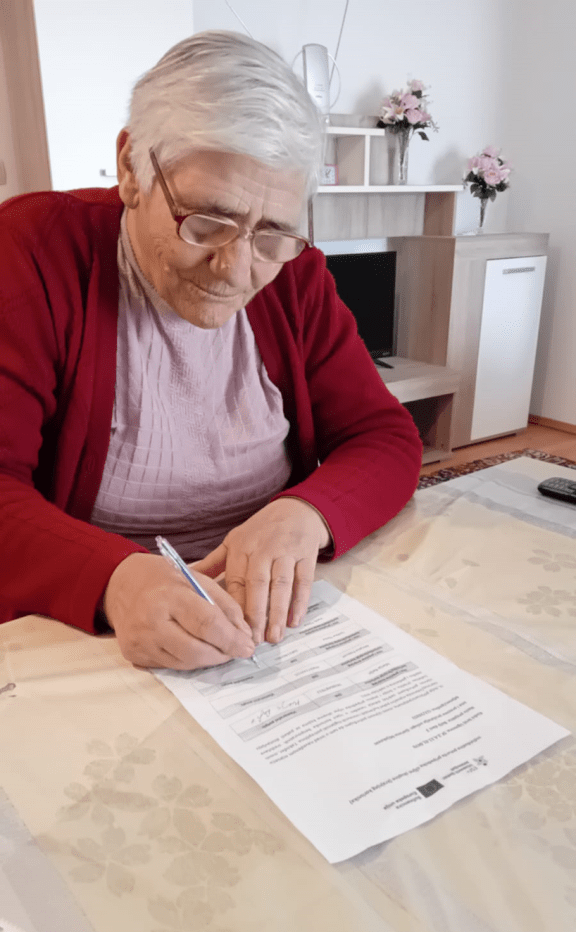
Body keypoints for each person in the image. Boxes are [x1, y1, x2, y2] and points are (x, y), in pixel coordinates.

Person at [0, 31, 422, 671]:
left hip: (273, 624)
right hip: (97, 625)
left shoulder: (296, 274)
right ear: (131, 169)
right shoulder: (29, 254)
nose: (236, 270)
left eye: (272, 234)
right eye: (205, 221)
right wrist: (115, 578)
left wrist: (304, 513)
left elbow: (383, 436)